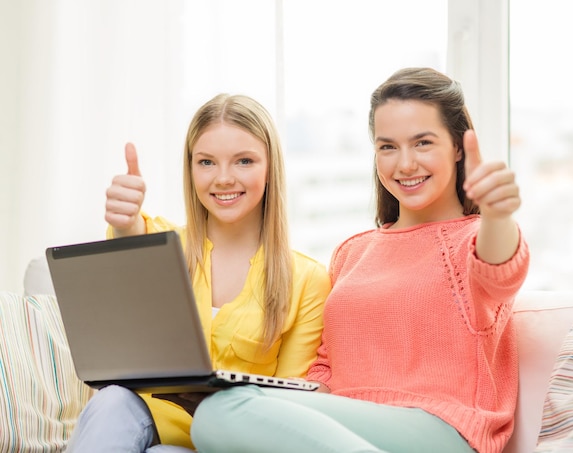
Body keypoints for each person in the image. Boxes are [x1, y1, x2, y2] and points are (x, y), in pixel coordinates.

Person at [188, 67, 530, 453]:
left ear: (457, 148)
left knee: (222, 412)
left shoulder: (472, 240)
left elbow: (501, 272)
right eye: (387, 147)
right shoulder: (353, 253)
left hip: (443, 432)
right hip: (348, 428)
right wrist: (271, 398)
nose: (404, 164)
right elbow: (325, 372)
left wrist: (499, 214)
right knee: (222, 411)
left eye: (422, 143)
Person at [66, 94, 331, 452]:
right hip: (143, 418)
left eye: (244, 161)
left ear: (270, 169)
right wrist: (125, 224)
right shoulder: (162, 247)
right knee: (112, 400)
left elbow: (288, 410)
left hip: (228, 440)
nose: (223, 178)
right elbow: (133, 240)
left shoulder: (307, 279)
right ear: (191, 170)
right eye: (206, 162)